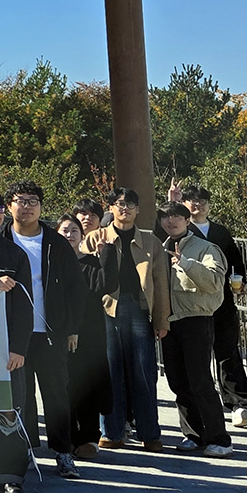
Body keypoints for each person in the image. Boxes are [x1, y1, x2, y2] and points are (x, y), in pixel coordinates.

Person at [0, 183, 86, 486]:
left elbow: (71, 289)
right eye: (18, 201)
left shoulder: (50, 243)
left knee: (47, 394)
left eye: (32, 201)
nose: (26, 207)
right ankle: (5, 459)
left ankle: (56, 453)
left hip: (41, 332)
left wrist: (70, 328)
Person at [82, 187, 171, 452]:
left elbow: (160, 283)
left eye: (130, 204)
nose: (125, 209)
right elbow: (84, 278)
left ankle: (150, 433)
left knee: (144, 372)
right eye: (120, 204)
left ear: (138, 209)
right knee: (111, 372)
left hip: (140, 308)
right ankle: (111, 432)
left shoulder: (151, 241)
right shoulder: (95, 238)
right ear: (110, 208)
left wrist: (162, 320)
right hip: (106, 309)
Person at [157, 202, 234, 456]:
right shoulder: (160, 248)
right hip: (170, 322)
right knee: (178, 382)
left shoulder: (205, 248)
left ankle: (220, 439)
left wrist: (186, 263)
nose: (171, 221)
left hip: (196, 320)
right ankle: (193, 434)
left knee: (200, 381)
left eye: (176, 216)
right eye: (165, 217)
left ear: (187, 220)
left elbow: (214, 283)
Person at [181, 184, 247, 426]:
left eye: (202, 200)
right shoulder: (180, 230)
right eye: (192, 200)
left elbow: (236, 262)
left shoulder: (221, 232)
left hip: (222, 299)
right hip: (192, 302)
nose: (198, 204)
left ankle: (239, 403)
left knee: (228, 351)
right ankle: (202, 403)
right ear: (184, 204)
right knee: (197, 355)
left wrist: (241, 282)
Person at [58, 214, 108, 460]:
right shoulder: (50, 263)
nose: (69, 235)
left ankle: (89, 438)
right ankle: (66, 438)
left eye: (74, 231)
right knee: (62, 386)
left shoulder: (92, 262)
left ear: (82, 236)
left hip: (89, 333)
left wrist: (106, 256)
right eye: (65, 230)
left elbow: (104, 286)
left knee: (87, 385)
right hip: (58, 331)